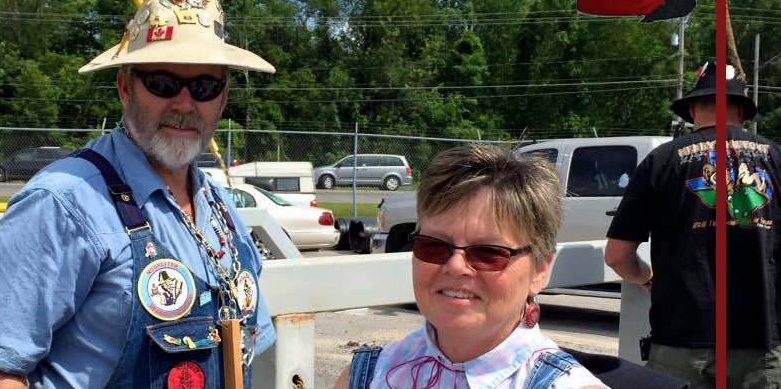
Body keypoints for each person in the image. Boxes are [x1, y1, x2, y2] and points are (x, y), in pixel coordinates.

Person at [0, 0, 277, 388]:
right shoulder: (62, 203)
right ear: (124, 87)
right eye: (162, 82)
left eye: (204, 85)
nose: (184, 104)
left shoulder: (221, 209)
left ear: (222, 97)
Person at [333, 144, 608, 388]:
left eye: (488, 252)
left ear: (540, 270)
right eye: (434, 246)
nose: (455, 266)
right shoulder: (364, 377)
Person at [605, 60, 781, 388]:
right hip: (762, 340)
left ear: (692, 110)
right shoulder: (776, 158)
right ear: (743, 110)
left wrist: (646, 278)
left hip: (680, 338)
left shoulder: (661, 161)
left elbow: (617, 256)